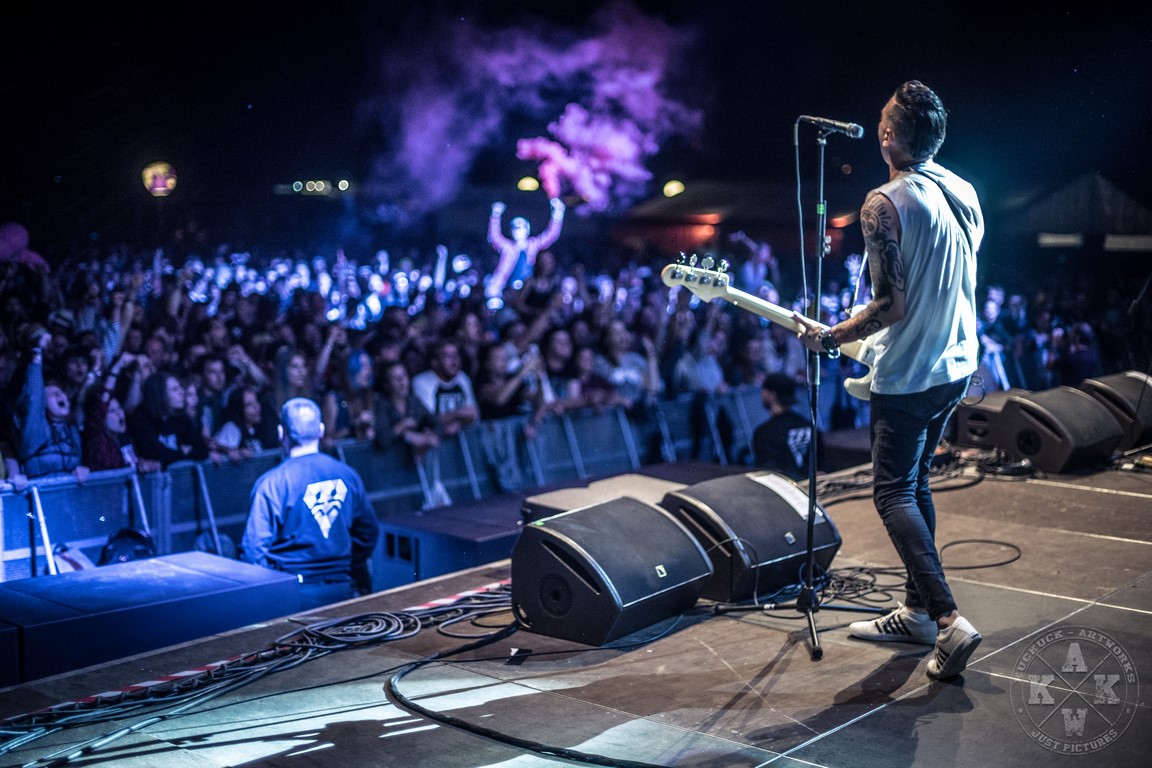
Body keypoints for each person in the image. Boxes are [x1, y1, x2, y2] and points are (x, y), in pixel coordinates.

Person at [797, 80, 983, 681]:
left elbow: (891, 305)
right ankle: (918, 612)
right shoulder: (962, 190)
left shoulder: (884, 203)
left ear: (886, 136)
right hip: (956, 364)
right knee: (915, 482)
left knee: (892, 492)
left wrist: (831, 336)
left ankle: (949, 620)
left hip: (910, 374)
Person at [240, 397, 380, 610]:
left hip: (290, 596)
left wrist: (275, 584)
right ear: (321, 430)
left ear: (281, 433)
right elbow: (369, 532)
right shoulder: (347, 475)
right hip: (342, 589)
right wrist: (347, 565)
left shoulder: (271, 484)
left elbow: (253, 551)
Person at [486, 198, 565, 299]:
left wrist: (557, 214)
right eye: (515, 228)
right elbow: (494, 237)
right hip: (509, 289)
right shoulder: (508, 247)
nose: (517, 231)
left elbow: (551, 235)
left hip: (529, 289)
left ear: (527, 230)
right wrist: (495, 215)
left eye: (521, 228)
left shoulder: (534, 245)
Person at [752, 372, 821, 480]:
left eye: (764, 390)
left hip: (786, 487)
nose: (761, 395)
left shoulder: (764, 433)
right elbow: (823, 467)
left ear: (772, 395)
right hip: (815, 486)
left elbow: (768, 471)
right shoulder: (809, 425)